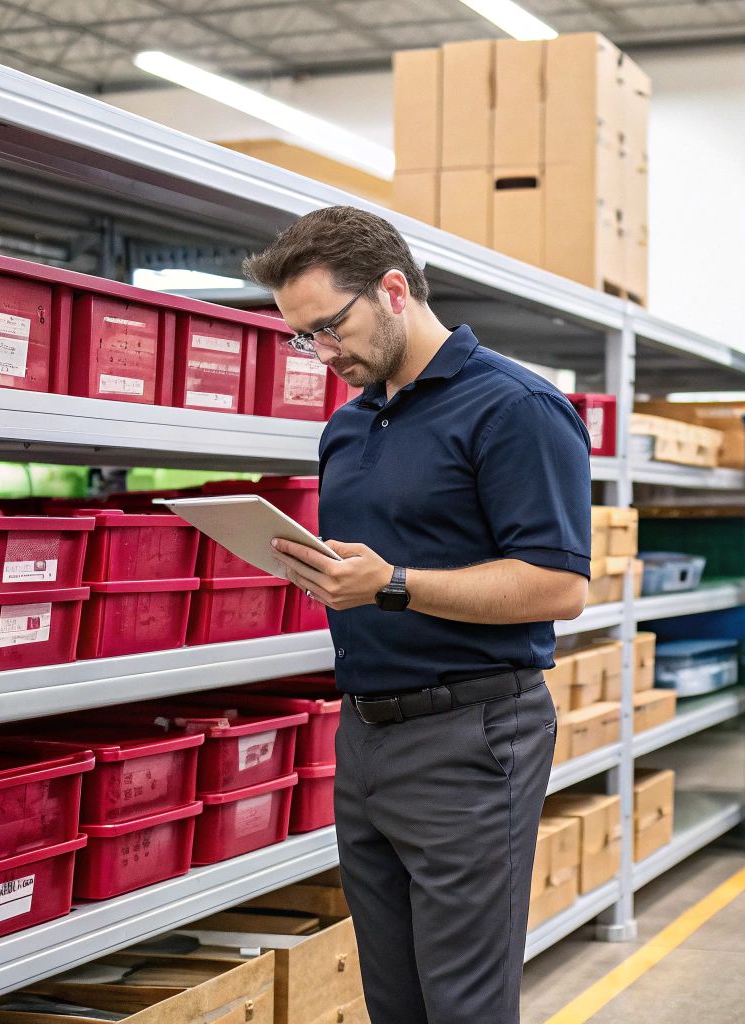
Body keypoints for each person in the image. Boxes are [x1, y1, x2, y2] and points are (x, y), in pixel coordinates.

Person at [246, 206, 591, 1023]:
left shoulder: (514, 408)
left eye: (332, 327)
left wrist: (393, 584)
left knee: (463, 1003)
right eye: (304, 338)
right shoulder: (347, 425)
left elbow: (558, 586)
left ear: (393, 290)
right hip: (365, 731)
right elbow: (374, 568)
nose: (324, 354)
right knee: (393, 1000)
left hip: (470, 733)